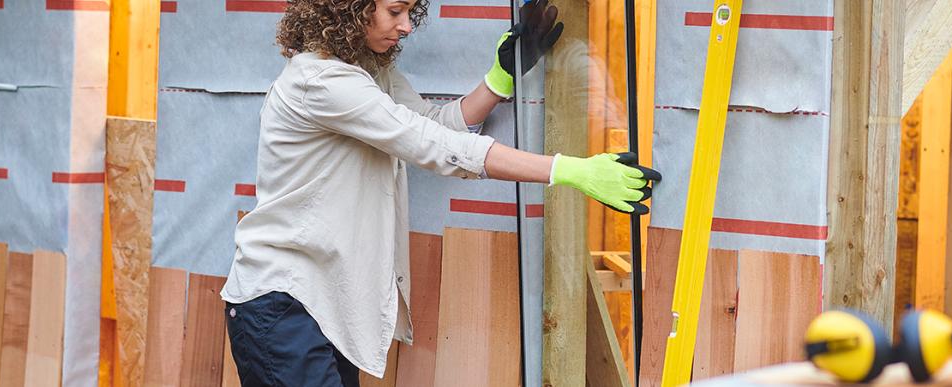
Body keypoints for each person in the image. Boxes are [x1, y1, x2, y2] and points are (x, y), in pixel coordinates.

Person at [219, 0, 660, 385]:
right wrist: (568, 170)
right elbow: (436, 147)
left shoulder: (369, 72)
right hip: (282, 302)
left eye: (410, 12)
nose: (407, 26)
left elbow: (433, 124)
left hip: (319, 303)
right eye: (395, 11)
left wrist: (499, 79)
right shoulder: (320, 82)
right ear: (349, 7)